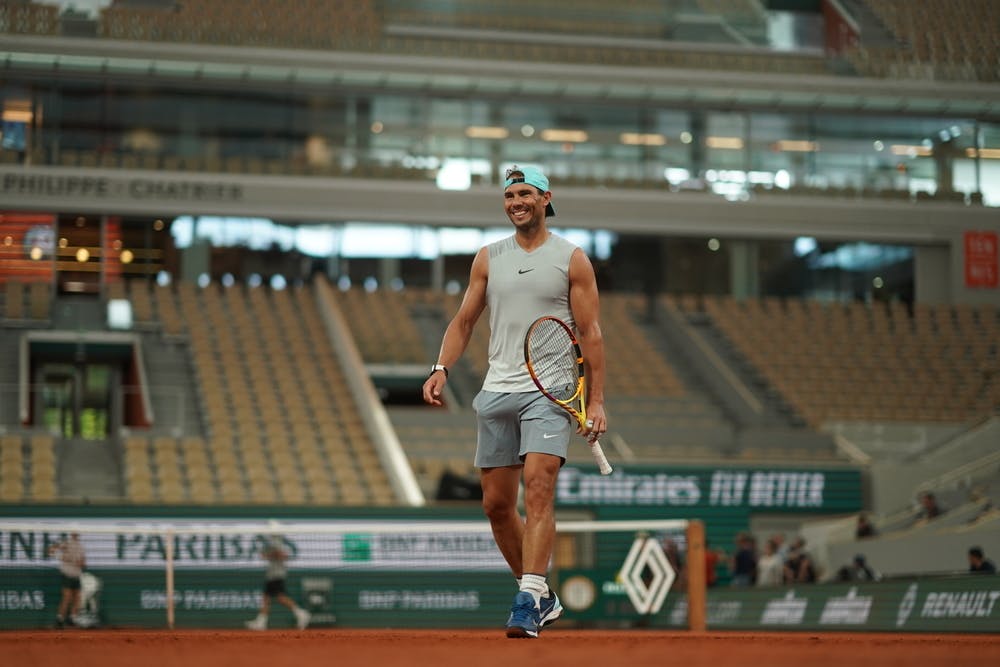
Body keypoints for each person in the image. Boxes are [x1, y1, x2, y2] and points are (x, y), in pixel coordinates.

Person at [422, 164, 607, 639]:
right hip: (496, 391)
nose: (515, 202)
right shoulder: (488, 257)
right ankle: (540, 595)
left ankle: (527, 596)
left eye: (525, 193)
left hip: (549, 391)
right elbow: (463, 321)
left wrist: (598, 401)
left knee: (538, 485)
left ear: (546, 197)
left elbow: (590, 332)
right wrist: (441, 367)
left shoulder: (572, 258)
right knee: (496, 505)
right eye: (509, 195)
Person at [245, 534, 311, 630]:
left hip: (277, 576)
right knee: (266, 599)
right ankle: (261, 622)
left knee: (280, 598)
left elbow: (283, 556)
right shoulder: (271, 546)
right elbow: (264, 556)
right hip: (271, 576)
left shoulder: (279, 546)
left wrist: (273, 554)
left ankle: (301, 613)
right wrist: (268, 554)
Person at [48, 532, 86, 628]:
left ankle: (72, 618)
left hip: (77, 575)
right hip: (67, 574)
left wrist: (80, 563)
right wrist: (61, 557)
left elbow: (83, 562)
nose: (76, 534)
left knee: (77, 598)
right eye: (74, 533)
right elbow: (51, 550)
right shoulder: (66, 543)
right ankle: (60, 619)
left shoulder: (81, 547)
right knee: (67, 597)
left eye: (77, 533)